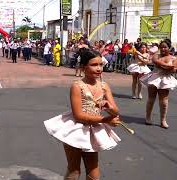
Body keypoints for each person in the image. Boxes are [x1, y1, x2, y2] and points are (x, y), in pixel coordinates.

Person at [44, 48, 121, 180]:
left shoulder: (104, 86)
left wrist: (109, 107)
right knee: (74, 171)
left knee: (94, 174)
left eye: (101, 65)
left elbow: (115, 111)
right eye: (94, 65)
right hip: (76, 129)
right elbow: (79, 116)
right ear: (83, 67)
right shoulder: (77, 86)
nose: (99, 69)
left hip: (94, 129)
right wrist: (106, 120)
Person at [140, 39, 177, 129]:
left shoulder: (174, 58)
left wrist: (167, 67)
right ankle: (148, 117)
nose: (163, 49)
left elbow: (174, 69)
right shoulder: (156, 55)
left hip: (166, 79)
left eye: (165, 47)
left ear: (169, 48)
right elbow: (156, 61)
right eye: (161, 47)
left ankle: (163, 120)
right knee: (151, 98)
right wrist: (168, 66)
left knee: (164, 101)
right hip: (154, 78)